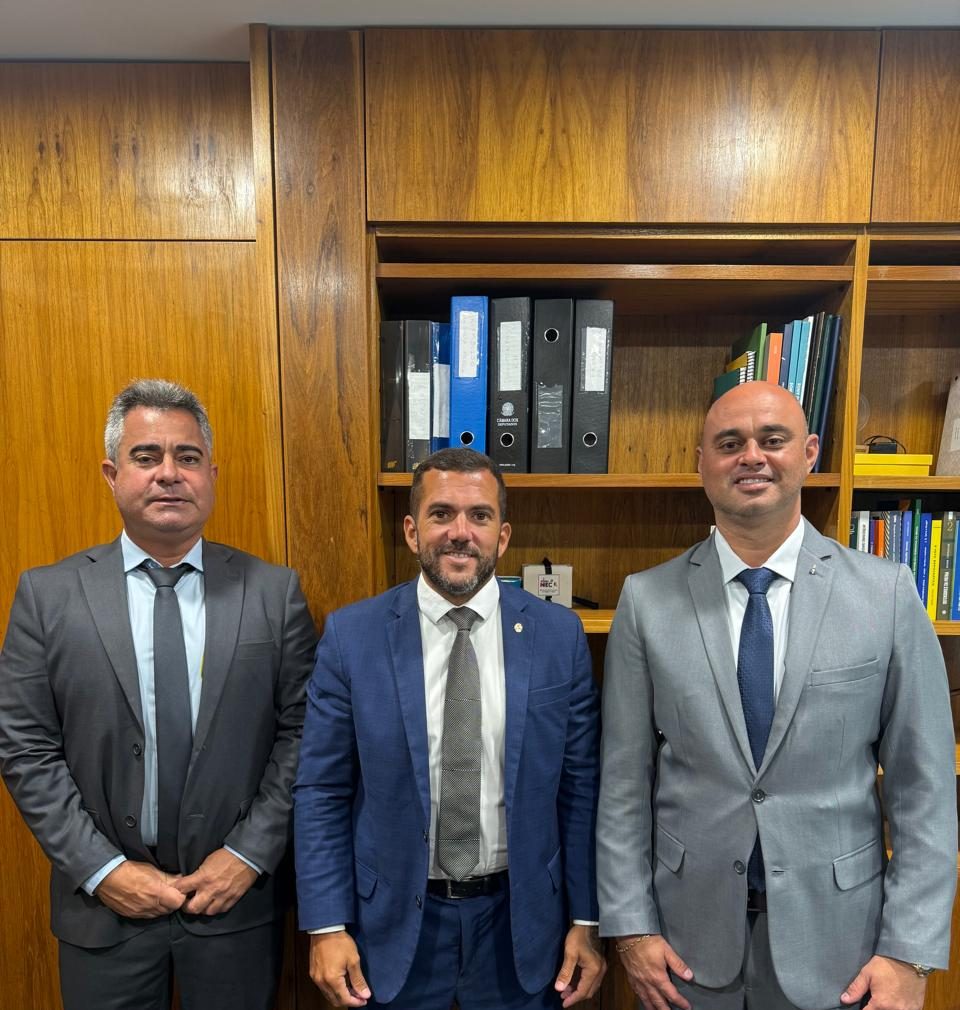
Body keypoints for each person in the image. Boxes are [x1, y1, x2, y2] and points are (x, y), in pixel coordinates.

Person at [598, 381, 957, 1010]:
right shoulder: (646, 600)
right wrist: (631, 929)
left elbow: (923, 788)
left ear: (809, 453)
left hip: (843, 947)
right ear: (702, 462)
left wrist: (909, 952)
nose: (751, 457)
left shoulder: (887, 594)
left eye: (772, 440)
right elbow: (624, 781)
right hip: (685, 945)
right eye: (729, 443)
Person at [0, 379, 318, 1010]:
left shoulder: (273, 592)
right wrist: (102, 870)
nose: (169, 473)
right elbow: (25, 747)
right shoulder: (47, 596)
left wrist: (247, 855)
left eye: (188, 457)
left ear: (212, 476)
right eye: (146, 456)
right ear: (112, 474)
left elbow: (303, 734)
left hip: (235, 906)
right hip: (101, 911)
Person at [294, 447, 605, 1009]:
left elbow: (580, 790)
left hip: (523, 926)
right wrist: (326, 924)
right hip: (391, 930)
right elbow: (322, 790)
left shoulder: (559, 638)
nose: (460, 532)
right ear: (412, 531)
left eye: (479, 516)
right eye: (441, 514)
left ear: (502, 536)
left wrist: (586, 919)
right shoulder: (352, 637)